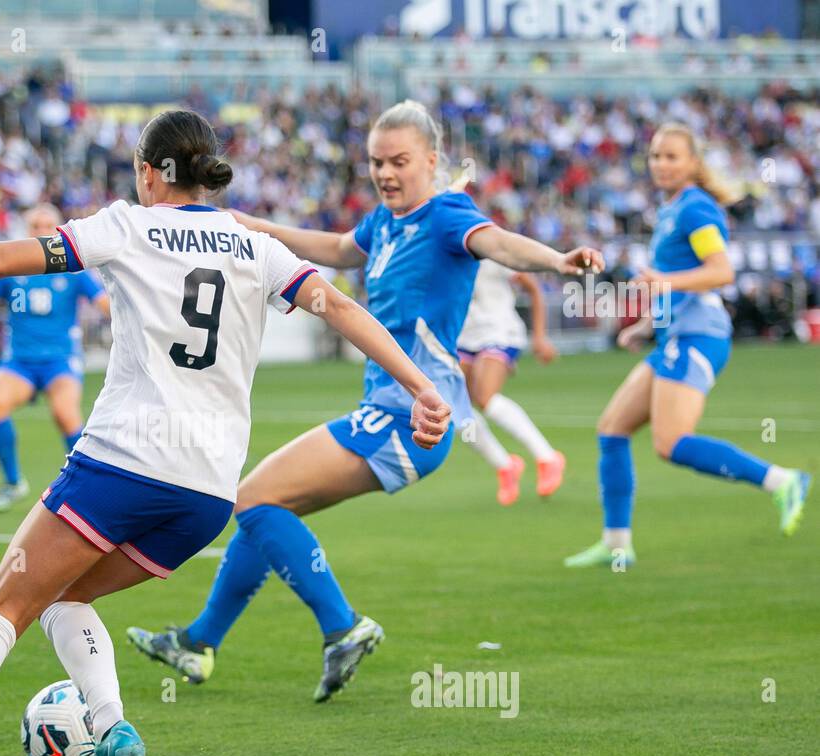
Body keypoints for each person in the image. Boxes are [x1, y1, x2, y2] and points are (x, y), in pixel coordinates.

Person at [0, 108, 450, 756]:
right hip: (205, 493)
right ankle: (112, 730)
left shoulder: (126, 225)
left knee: (3, 608)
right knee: (62, 599)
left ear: (148, 172)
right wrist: (421, 386)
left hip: (122, 463)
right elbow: (340, 307)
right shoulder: (251, 244)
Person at [127, 100, 602, 699]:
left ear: (431, 161)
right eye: (377, 162)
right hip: (385, 413)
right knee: (266, 509)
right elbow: (334, 249)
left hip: (412, 418)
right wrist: (256, 228)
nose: (385, 173)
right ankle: (197, 644)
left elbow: (501, 244)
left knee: (250, 499)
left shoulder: (449, 214)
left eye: (400, 161)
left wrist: (559, 259)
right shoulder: (382, 223)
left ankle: (342, 627)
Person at [564, 123, 810, 569]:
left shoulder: (697, 208)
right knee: (612, 429)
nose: (660, 164)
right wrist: (645, 326)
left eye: (671, 156)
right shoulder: (671, 209)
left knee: (671, 441)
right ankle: (616, 545)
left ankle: (782, 480)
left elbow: (721, 272)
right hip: (675, 335)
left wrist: (664, 282)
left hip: (700, 335)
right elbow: (675, 288)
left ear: (693, 163)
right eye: (655, 156)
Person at [0, 204, 110, 512]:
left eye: (48, 225)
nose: (41, 231)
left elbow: (106, 304)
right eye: (35, 225)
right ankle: (13, 482)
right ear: (28, 231)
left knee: (66, 415)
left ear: (59, 230)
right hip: (20, 361)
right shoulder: (13, 269)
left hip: (60, 359)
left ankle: (89, 489)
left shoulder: (75, 271)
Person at [457, 257, 566, 505]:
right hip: (463, 337)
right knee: (454, 408)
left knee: (486, 399)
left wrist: (540, 337)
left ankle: (547, 457)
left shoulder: (488, 251)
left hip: (499, 331)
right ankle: (505, 466)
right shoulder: (439, 254)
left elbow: (533, 287)